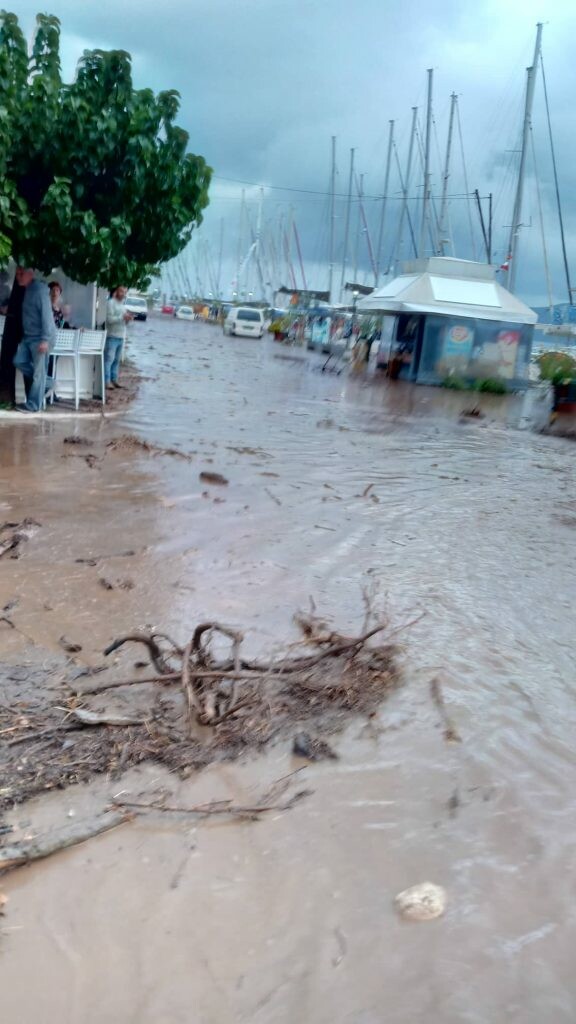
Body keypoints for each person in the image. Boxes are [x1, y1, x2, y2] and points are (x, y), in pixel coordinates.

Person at [12, 268, 56, 412]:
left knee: (38, 373)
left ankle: (33, 406)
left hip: (40, 338)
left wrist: (45, 340)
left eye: (21, 273)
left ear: (30, 274)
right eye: (17, 273)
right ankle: (48, 382)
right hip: (29, 337)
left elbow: (47, 317)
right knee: (18, 361)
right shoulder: (27, 289)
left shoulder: (39, 290)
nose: (18, 276)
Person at [105, 286, 132, 389]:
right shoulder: (110, 303)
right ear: (116, 292)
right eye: (122, 291)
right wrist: (122, 317)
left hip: (121, 336)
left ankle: (114, 379)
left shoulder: (122, 305)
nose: (124, 294)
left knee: (116, 360)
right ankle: (107, 381)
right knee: (109, 360)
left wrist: (128, 319)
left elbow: (124, 322)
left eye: (125, 292)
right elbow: (109, 319)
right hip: (112, 336)